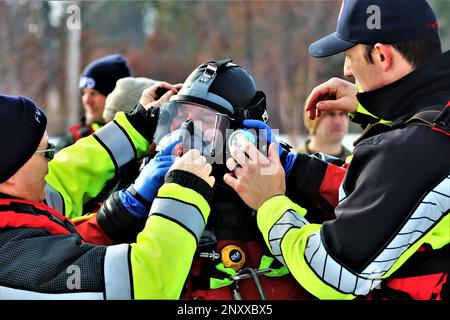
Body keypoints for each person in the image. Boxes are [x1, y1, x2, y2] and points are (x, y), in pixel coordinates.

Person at [223, 0, 449, 300]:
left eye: (348, 55)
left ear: (382, 55)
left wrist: (269, 202)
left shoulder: (411, 153)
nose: (346, 70)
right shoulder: (433, 122)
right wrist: (369, 102)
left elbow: (334, 272)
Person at [0, 93, 215, 299]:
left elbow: (64, 177)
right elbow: (143, 285)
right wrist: (184, 194)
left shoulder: (14, 198)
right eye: (47, 152)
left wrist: (136, 126)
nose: (51, 160)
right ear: (11, 174)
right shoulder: (16, 261)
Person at [152, 59, 313, 300]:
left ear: (241, 132)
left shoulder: (285, 188)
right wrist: (127, 204)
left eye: (205, 120)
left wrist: (299, 170)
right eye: (184, 116)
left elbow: (364, 200)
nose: (188, 131)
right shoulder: (160, 184)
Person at [56, 54, 132, 151]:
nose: (86, 101)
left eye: (93, 93)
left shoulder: (138, 139)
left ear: (114, 97)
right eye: (84, 93)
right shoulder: (74, 141)